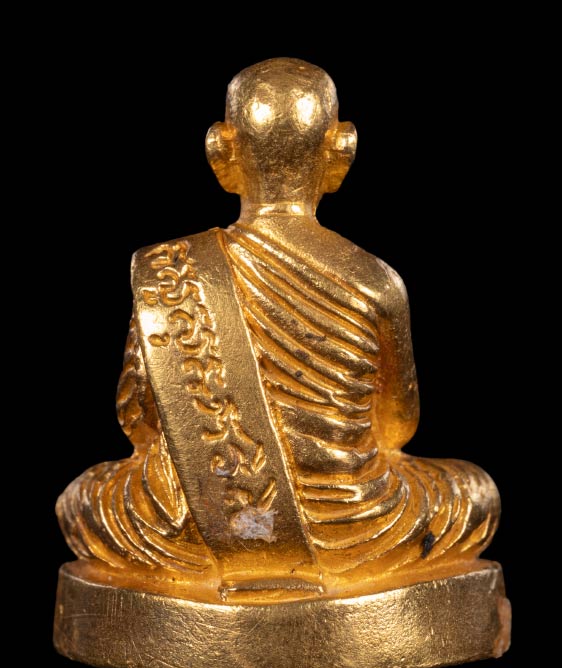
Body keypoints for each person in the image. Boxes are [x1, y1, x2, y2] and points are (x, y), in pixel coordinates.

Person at [57, 58, 499, 597]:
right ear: (342, 151)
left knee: (84, 502)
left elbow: (137, 420)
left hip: (197, 525)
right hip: (358, 525)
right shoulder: (377, 281)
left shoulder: (171, 273)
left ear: (220, 150)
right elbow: (399, 427)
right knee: (472, 495)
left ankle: (241, 547)